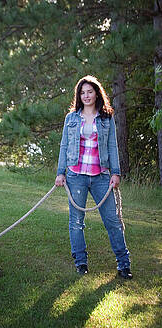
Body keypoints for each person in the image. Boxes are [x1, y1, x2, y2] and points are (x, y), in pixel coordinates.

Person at [55, 75, 132, 279]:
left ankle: (124, 264)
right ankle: (81, 263)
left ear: (97, 93)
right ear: (78, 96)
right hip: (76, 176)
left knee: (112, 221)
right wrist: (60, 172)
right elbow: (64, 146)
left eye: (90, 91)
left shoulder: (106, 118)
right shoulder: (71, 119)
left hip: (101, 177)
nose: (86, 95)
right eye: (82, 92)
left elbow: (113, 146)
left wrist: (115, 173)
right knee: (76, 222)